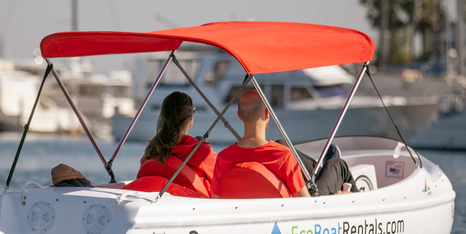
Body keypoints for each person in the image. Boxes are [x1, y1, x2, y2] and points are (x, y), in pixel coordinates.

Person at [213, 90, 356, 197]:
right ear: (267, 114)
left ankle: (317, 170)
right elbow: (307, 205)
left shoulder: (222, 158)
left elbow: (215, 200)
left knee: (281, 143)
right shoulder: (283, 157)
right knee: (337, 165)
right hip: (300, 213)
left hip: (246, 217)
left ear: (239, 115)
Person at [123, 91, 217, 198]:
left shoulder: (151, 150)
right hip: (193, 209)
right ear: (191, 117)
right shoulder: (202, 152)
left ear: (163, 116)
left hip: (152, 206)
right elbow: (220, 184)